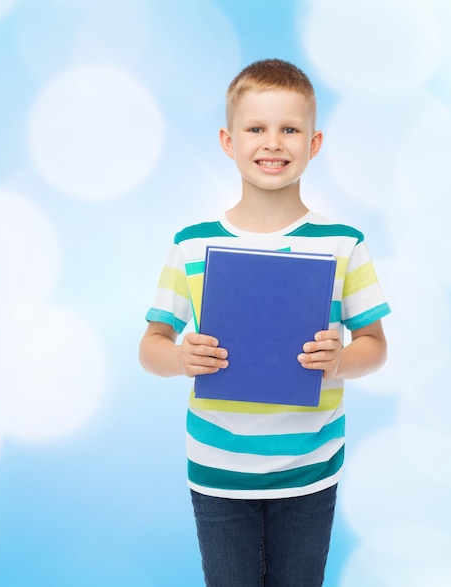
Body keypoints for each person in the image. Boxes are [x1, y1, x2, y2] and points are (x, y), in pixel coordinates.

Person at [138, 58, 390, 586]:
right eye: (256, 128)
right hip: (218, 470)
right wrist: (181, 356)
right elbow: (152, 344)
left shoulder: (344, 243)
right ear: (229, 142)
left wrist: (342, 359)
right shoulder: (193, 244)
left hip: (310, 468)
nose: (272, 143)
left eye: (289, 130)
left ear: (314, 143)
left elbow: (374, 344)